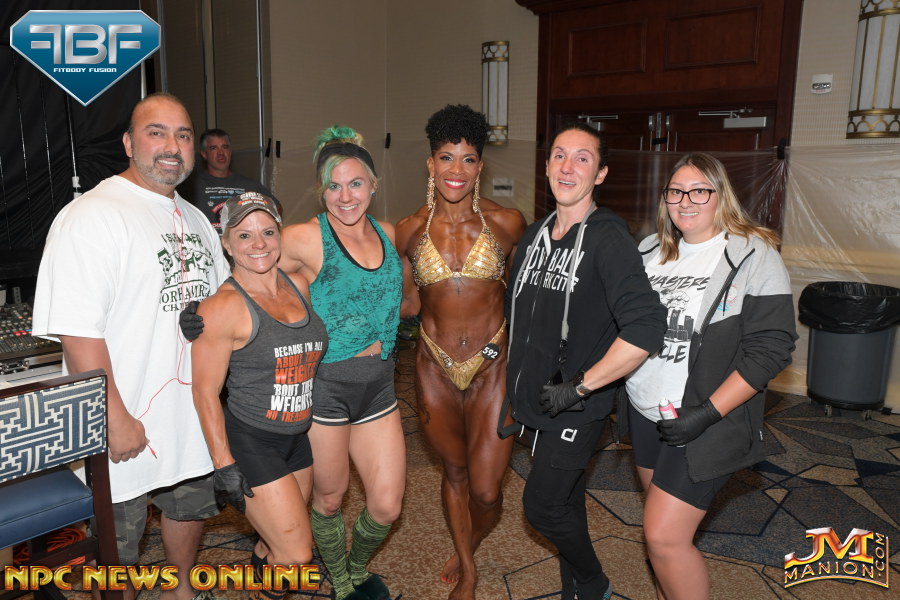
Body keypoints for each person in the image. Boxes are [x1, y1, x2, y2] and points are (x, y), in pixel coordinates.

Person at [32, 92, 231, 600]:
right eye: (156, 132)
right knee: (119, 539)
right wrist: (113, 416)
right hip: (123, 416)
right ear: (127, 143)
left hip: (189, 414)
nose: (172, 146)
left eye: (183, 135)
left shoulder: (195, 219)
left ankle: (180, 589)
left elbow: (222, 306)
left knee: (189, 506)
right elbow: (78, 330)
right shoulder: (92, 216)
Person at [504, 123, 667, 600]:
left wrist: (580, 387)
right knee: (567, 500)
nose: (567, 166)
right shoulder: (533, 236)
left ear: (600, 174)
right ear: (546, 165)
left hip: (576, 406)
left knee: (542, 507)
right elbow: (521, 318)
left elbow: (645, 328)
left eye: (582, 158)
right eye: (559, 155)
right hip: (536, 400)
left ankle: (594, 583)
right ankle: (576, 591)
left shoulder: (608, 239)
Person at [625, 153, 797, 600]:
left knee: (664, 537)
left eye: (699, 191)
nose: (686, 201)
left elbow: (772, 349)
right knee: (662, 536)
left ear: (721, 196)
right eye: (676, 191)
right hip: (645, 410)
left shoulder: (753, 254)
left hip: (705, 417)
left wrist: (705, 413)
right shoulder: (648, 251)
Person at [394, 104, 526, 600]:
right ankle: (467, 567)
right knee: (453, 473)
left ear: (480, 166)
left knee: (487, 492)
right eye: (446, 158)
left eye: (468, 159)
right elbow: (407, 302)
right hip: (434, 368)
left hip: (493, 367)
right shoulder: (408, 231)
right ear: (430, 164)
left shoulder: (508, 223)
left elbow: (526, 295)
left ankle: (472, 537)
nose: (456, 170)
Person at [279, 126, 404, 600]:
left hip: (380, 386)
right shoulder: (304, 238)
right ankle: (345, 583)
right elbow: (250, 270)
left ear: (373, 185)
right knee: (329, 498)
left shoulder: (390, 233)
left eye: (355, 184)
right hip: (327, 387)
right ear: (321, 190)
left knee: (387, 505)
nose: (345, 196)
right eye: (333, 186)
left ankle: (355, 566)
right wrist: (210, 311)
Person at [190, 192, 327, 600]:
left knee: (273, 544)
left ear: (280, 236)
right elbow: (204, 392)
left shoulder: (298, 285)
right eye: (244, 235)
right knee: (296, 554)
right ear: (227, 244)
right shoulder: (222, 308)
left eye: (267, 232)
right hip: (252, 441)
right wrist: (224, 465)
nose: (259, 243)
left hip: (296, 437)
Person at [179, 127, 281, 234]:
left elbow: (277, 208)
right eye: (213, 148)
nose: (220, 152)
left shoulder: (249, 185)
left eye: (225, 147)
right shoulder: (191, 186)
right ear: (204, 154)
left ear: (230, 152)